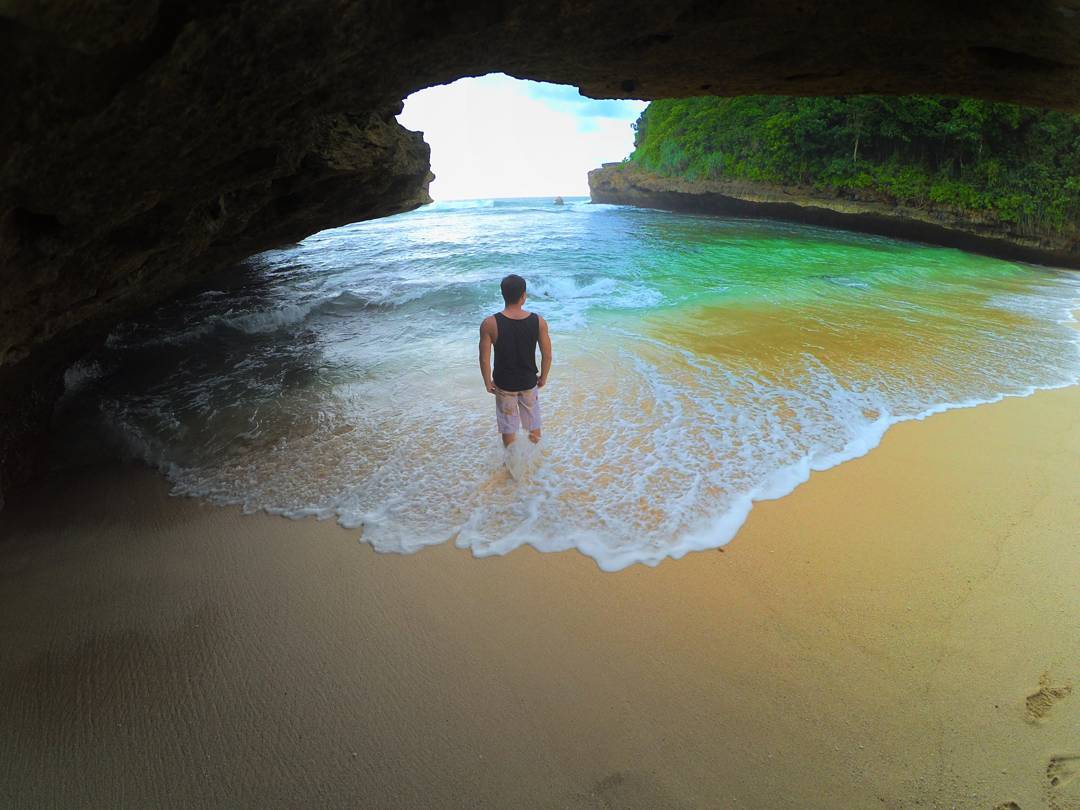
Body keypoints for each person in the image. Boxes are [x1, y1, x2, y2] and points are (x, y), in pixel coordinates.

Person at [478, 274, 552, 447]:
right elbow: (547, 355)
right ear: (523, 296)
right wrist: (543, 377)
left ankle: (512, 467)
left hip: (504, 385)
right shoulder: (538, 321)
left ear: (503, 294)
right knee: (533, 426)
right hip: (528, 382)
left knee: (508, 429)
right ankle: (534, 464)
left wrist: (487, 382)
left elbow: (483, 358)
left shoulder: (490, 323)